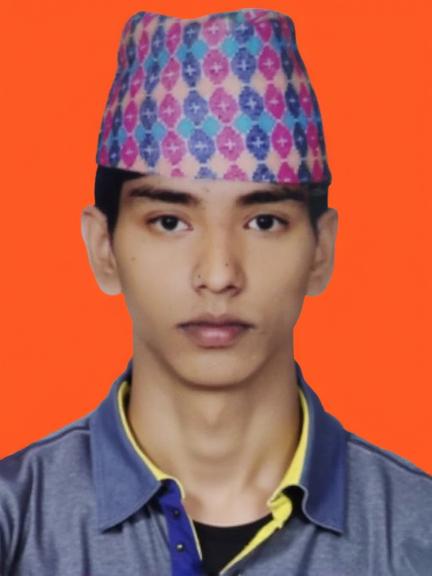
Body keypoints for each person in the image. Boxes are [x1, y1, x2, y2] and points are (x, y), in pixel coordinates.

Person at [1, 8, 431, 576]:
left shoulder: (417, 532)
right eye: (170, 222)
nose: (220, 273)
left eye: (265, 221)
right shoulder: (14, 526)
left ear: (320, 251)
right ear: (103, 247)